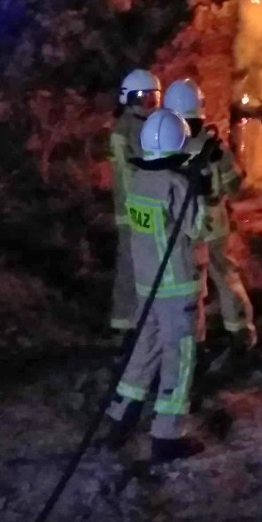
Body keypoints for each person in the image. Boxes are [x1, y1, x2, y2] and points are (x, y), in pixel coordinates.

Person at [102, 108, 211, 462]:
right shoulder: (177, 185)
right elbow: (198, 230)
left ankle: (121, 416)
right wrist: (201, 189)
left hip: (147, 285)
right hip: (176, 287)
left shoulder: (137, 181)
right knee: (178, 358)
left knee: (143, 350)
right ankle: (167, 435)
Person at [163, 78, 257, 349]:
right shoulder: (216, 149)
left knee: (189, 283)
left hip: (182, 224)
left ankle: (193, 338)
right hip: (214, 223)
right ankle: (240, 329)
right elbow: (235, 185)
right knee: (225, 273)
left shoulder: (169, 145)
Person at [109, 69, 161, 333]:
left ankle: (133, 322)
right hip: (136, 208)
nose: (148, 102)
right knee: (133, 266)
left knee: (136, 264)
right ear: (129, 98)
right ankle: (127, 325)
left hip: (137, 206)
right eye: (143, 97)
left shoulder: (135, 125)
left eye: (152, 97)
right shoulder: (131, 127)